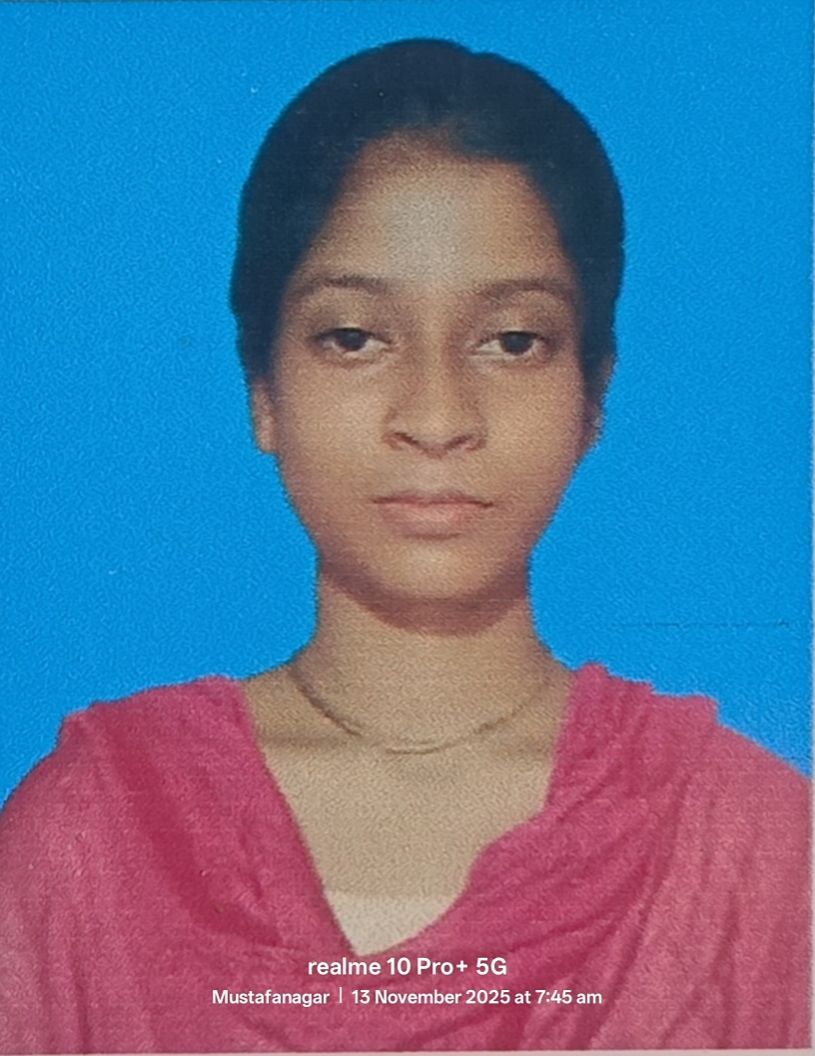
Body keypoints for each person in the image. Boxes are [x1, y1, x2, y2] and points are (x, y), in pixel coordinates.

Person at [0, 38, 808, 1053]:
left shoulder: (755, 849)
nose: (435, 417)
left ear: (593, 395)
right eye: (354, 338)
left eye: (511, 341)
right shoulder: (91, 834)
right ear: (263, 389)